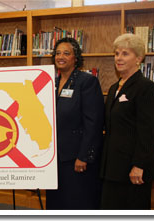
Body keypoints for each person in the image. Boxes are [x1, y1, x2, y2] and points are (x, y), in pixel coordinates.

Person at [100, 33, 154, 210]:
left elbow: (148, 132)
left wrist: (139, 165)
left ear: (138, 58)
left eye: (125, 54)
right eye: (117, 53)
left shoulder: (145, 87)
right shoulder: (113, 88)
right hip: (112, 168)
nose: (119, 58)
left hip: (133, 170)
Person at [46, 37, 104, 209]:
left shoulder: (87, 82)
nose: (60, 57)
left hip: (76, 159)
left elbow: (93, 123)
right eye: (57, 53)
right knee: (56, 203)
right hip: (53, 157)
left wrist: (84, 156)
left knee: (77, 203)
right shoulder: (51, 82)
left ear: (75, 58)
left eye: (66, 53)